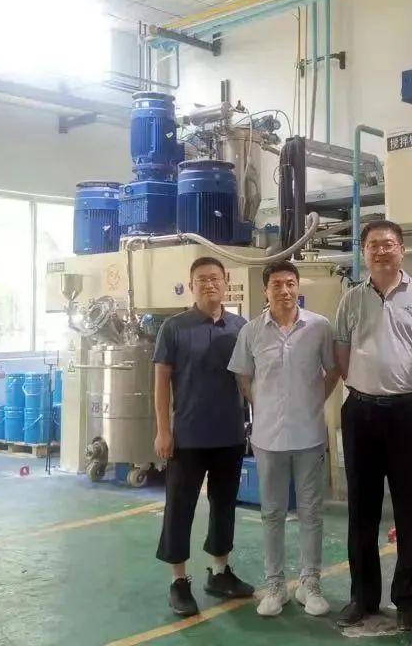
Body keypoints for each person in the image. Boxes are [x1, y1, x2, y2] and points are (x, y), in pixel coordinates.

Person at [333, 219, 412, 631]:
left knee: (410, 510)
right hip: (360, 412)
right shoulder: (351, 299)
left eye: (388, 244)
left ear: (402, 250)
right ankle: (363, 598)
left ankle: (409, 599)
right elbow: (341, 352)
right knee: (361, 510)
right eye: (373, 245)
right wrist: (364, 383)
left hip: (408, 414)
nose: (381, 251)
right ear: (363, 252)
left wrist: (408, 386)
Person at [228, 260, 340, 619]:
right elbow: (244, 378)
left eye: (290, 283)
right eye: (277, 284)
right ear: (266, 290)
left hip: (309, 435)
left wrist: (313, 402)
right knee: (272, 513)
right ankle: (275, 585)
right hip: (267, 438)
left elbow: (333, 370)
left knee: (311, 512)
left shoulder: (319, 327)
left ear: (298, 286)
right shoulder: (251, 331)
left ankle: (310, 584)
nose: (285, 290)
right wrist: (264, 407)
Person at [154, 256, 255, 617]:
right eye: (202, 279)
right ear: (191, 285)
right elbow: (161, 382)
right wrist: (163, 430)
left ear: (226, 282)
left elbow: (248, 380)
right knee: (179, 508)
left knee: (224, 505)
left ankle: (220, 572)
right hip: (187, 437)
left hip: (230, 434)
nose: (210, 284)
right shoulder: (174, 327)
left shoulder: (241, 327)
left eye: (215, 278)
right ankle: (179, 581)